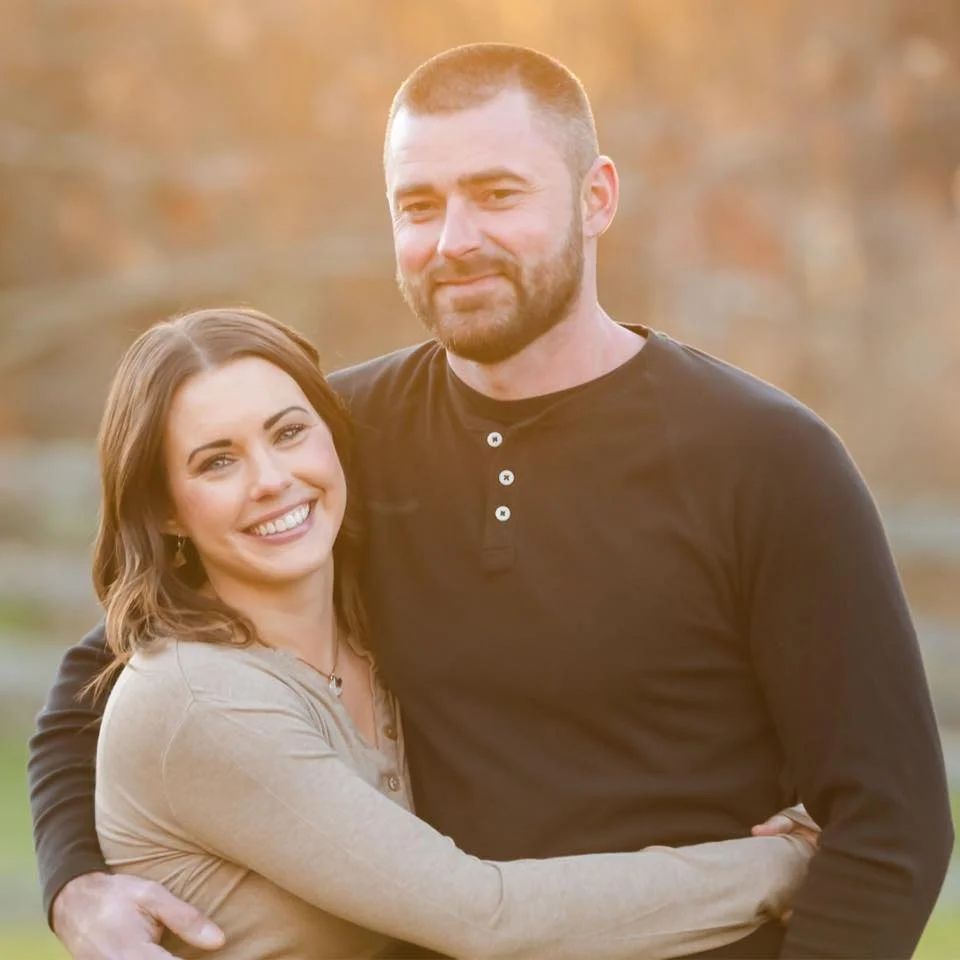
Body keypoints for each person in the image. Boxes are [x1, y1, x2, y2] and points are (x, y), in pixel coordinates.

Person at [29, 43, 953, 960]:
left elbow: (889, 827)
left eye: (498, 194)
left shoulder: (767, 457)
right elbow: (108, 672)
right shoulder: (331, 442)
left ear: (596, 197)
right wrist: (76, 884)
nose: (454, 239)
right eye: (419, 206)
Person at [82, 305, 822, 959]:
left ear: (333, 439)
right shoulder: (201, 698)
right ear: (167, 510)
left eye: (289, 431)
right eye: (218, 461)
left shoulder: (379, 626)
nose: (271, 478)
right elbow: (484, 919)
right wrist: (780, 866)